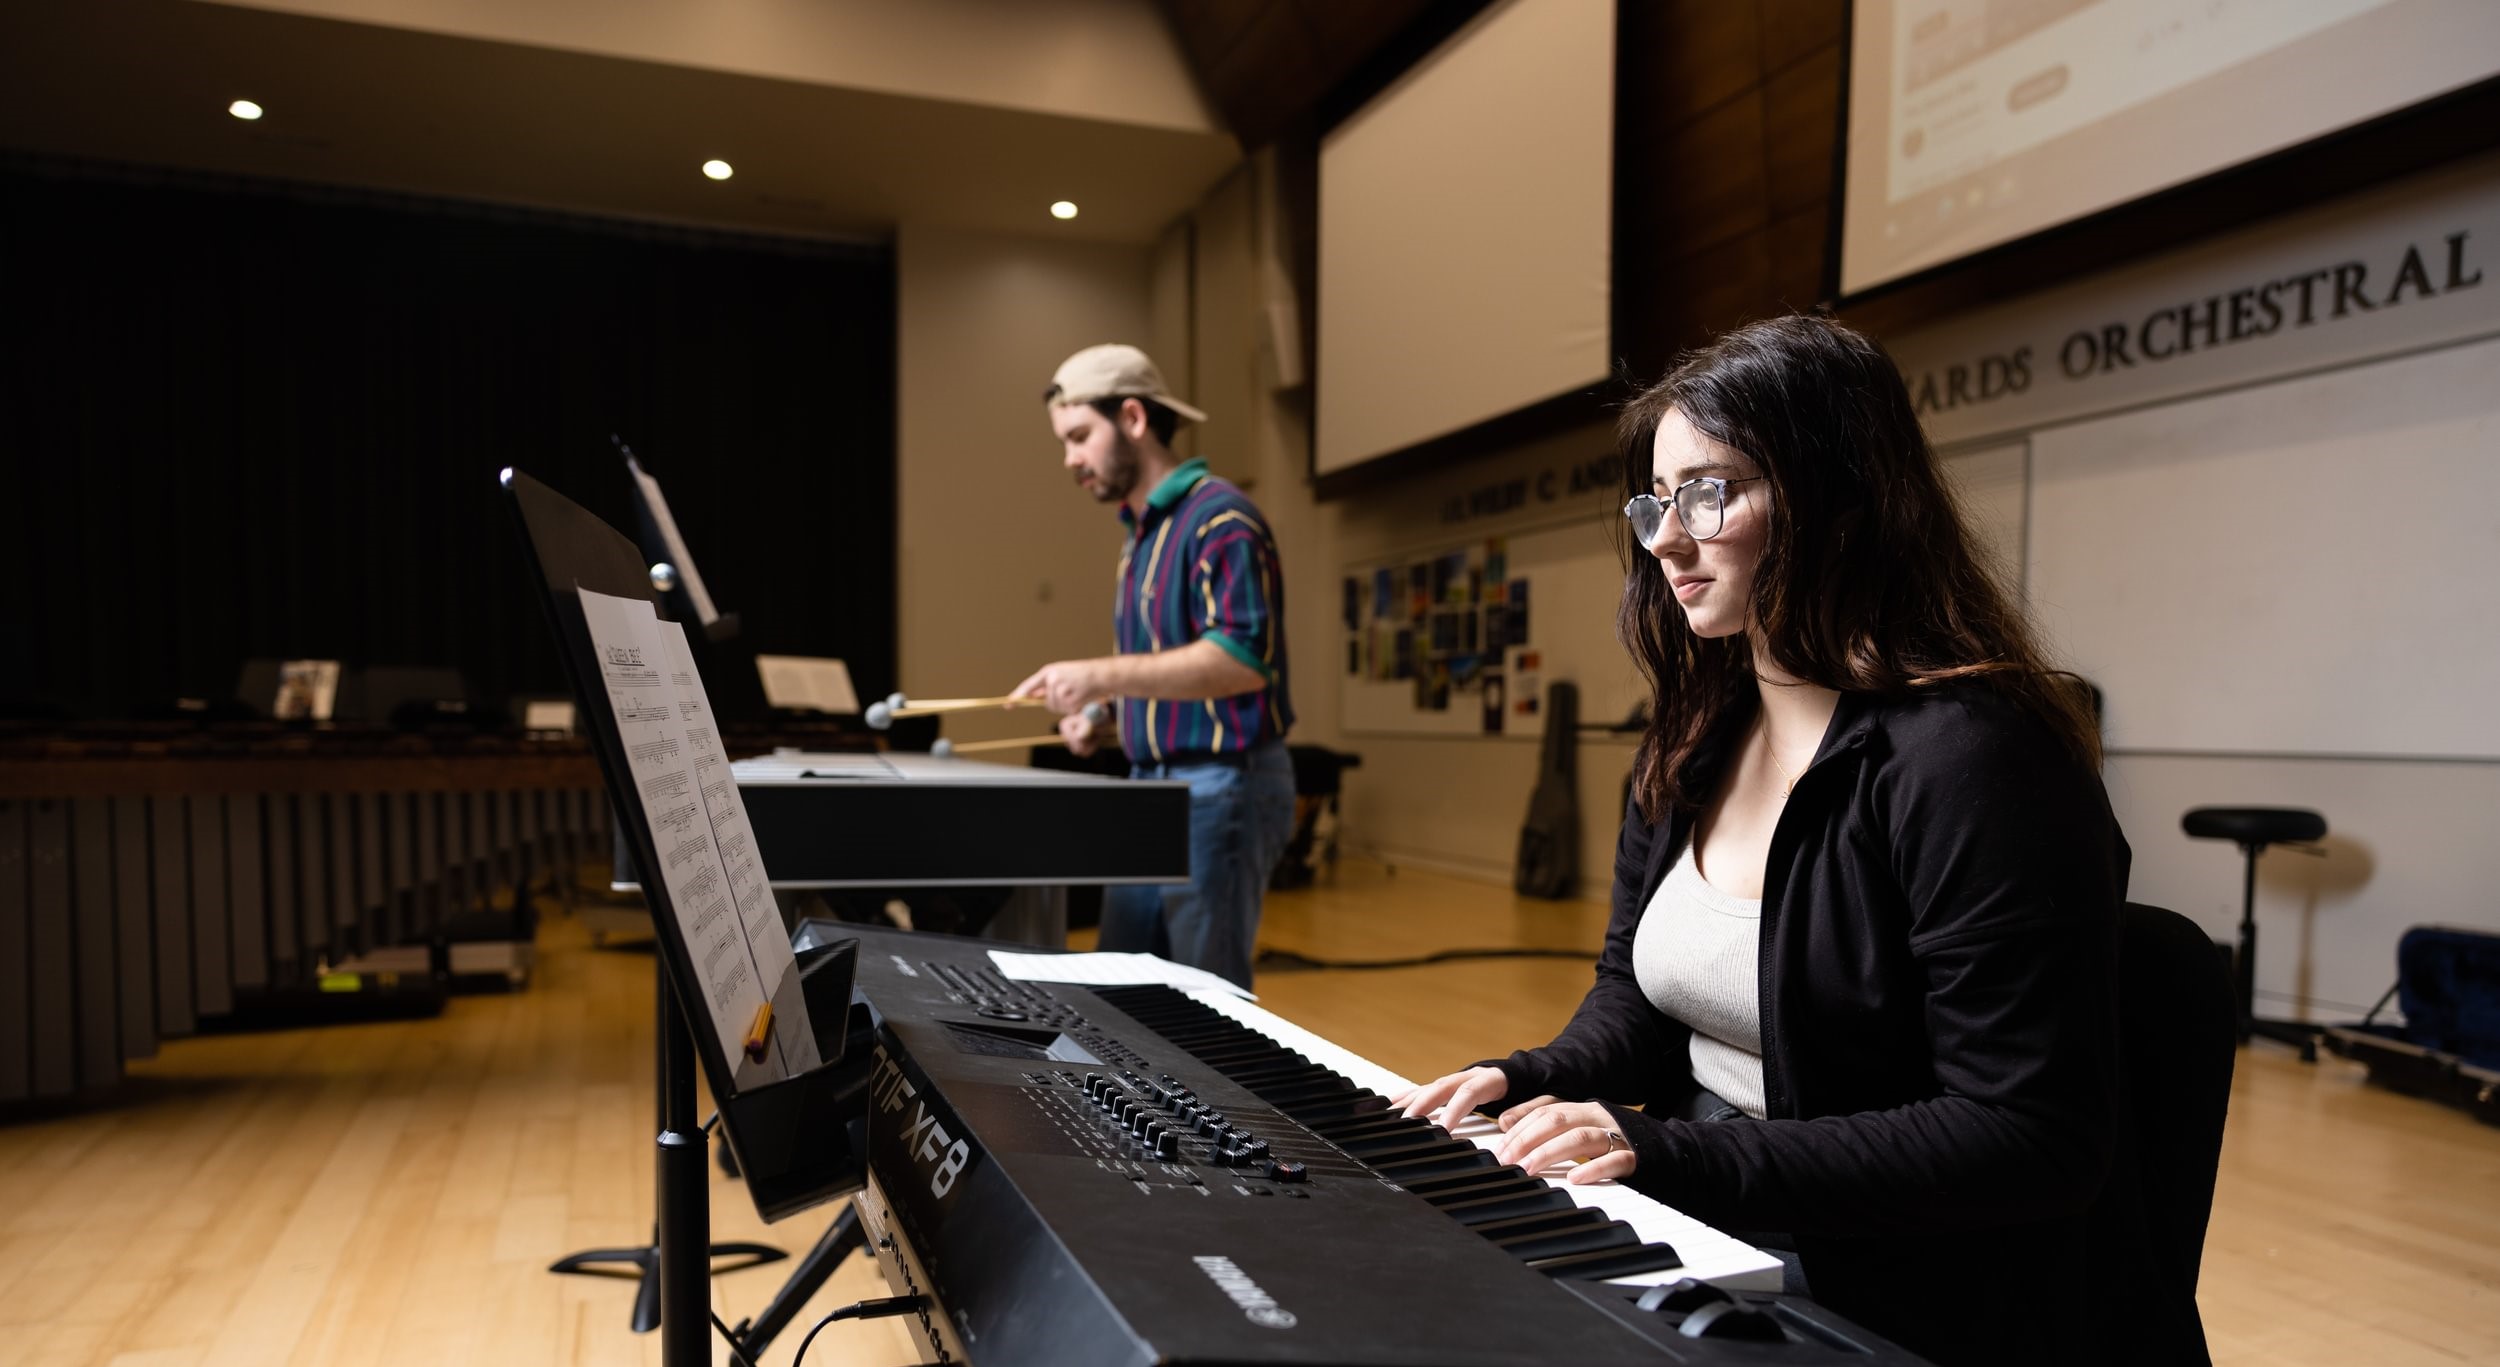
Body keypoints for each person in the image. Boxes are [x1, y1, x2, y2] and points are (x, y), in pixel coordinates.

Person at [1391, 316, 2172, 1366]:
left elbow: (2029, 1136)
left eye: (1708, 492)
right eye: (1655, 501)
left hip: (1897, 1276)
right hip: (1718, 1209)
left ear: (1837, 496)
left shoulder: (1979, 758)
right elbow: (1639, 994)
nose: (1667, 537)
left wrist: (1662, 1151)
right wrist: (1527, 1078)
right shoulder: (1693, 735)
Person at [1013, 344, 1294, 990]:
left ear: (1133, 418)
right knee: (1126, 988)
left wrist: (1101, 676)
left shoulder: (1222, 518)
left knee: (1204, 1003)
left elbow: (1242, 659)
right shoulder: (1141, 535)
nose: (1071, 459)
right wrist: (1102, 713)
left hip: (1222, 783)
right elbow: (1162, 664)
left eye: (1080, 436)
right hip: (1152, 785)